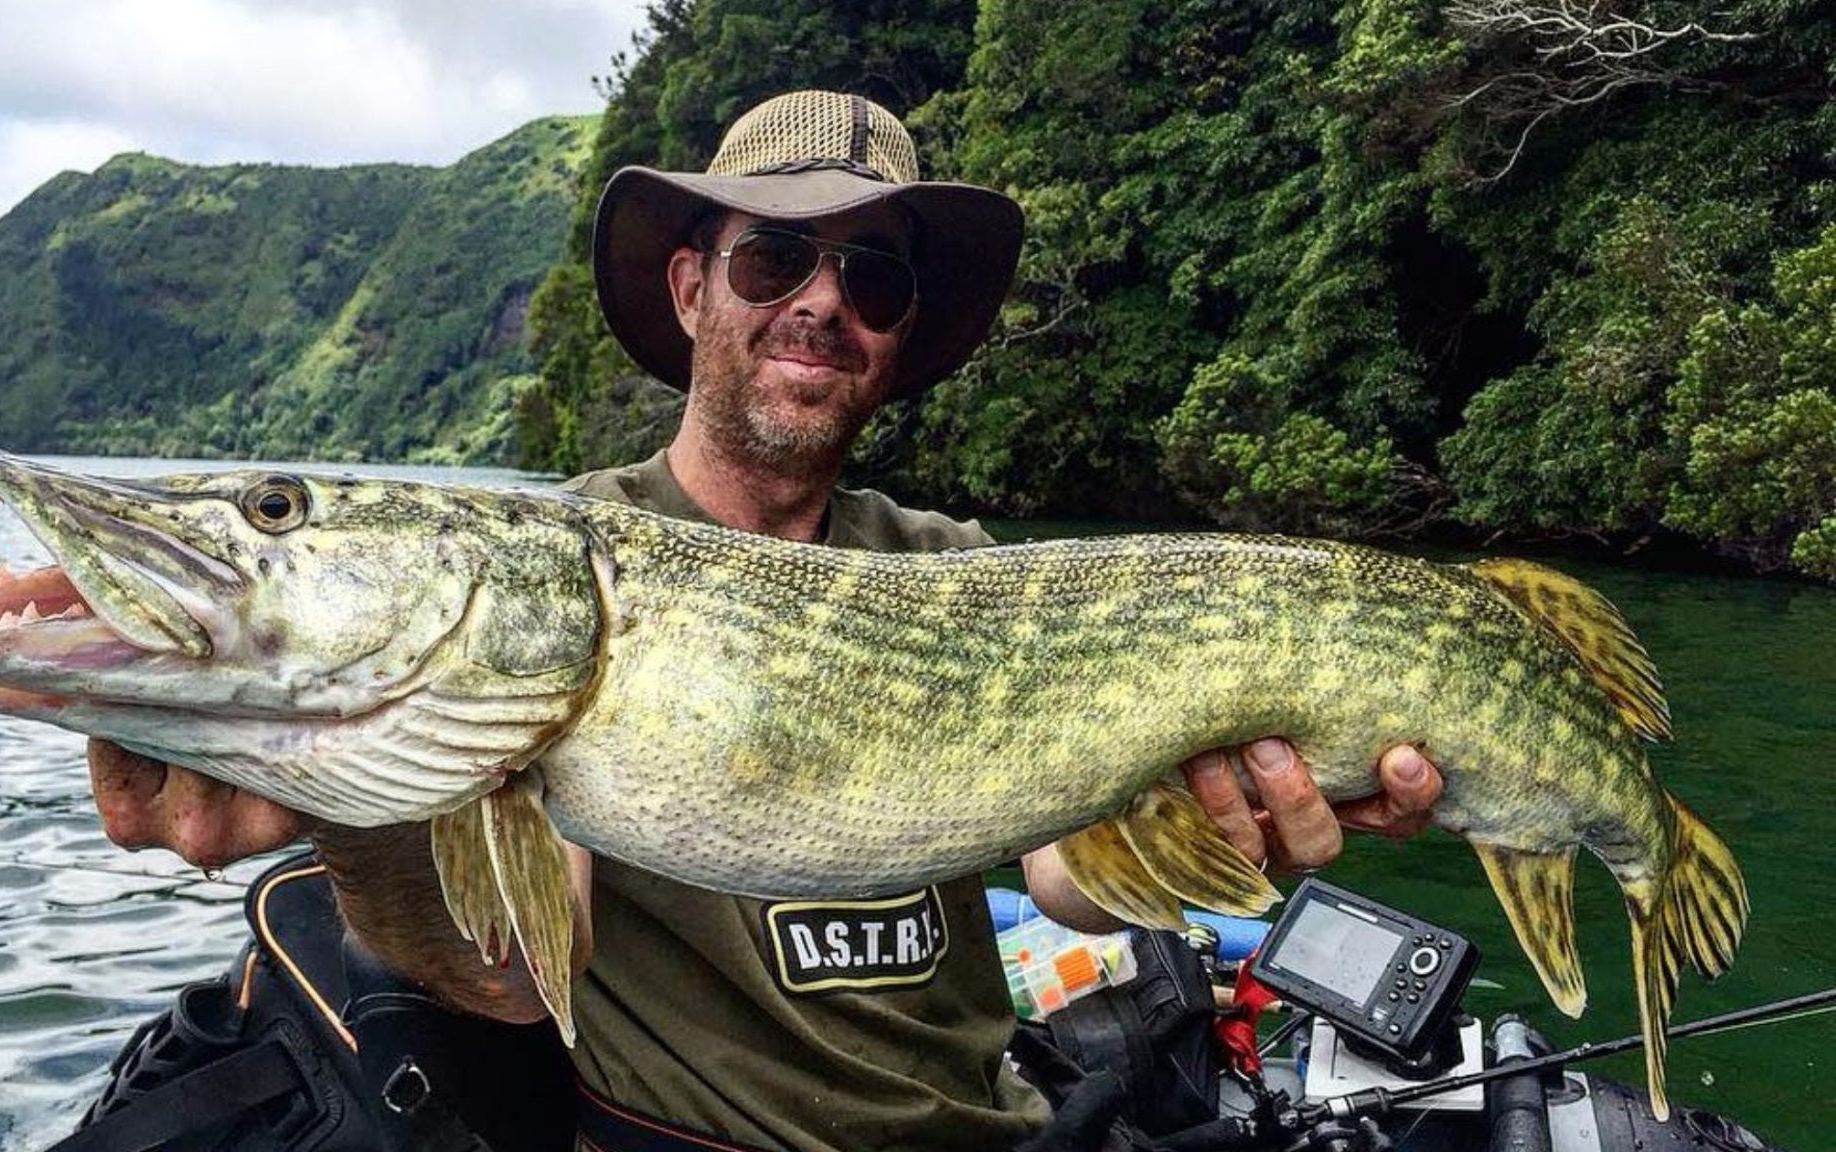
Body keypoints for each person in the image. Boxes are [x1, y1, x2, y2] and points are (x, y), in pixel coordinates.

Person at [82, 90, 1444, 1152]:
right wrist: (346, 794)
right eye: (775, 257)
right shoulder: (550, 567)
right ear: (691, 288)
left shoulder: (953, 568)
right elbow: (507, 976)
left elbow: (1065, 881)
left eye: (874, 280)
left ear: (899, 336)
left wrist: (1222, 832)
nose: (822, 304)